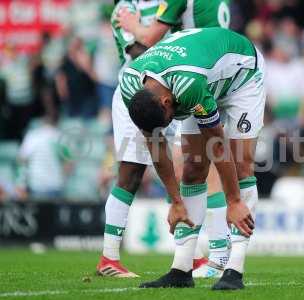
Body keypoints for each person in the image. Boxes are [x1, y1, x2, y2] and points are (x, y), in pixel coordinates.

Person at [121, 27, 266, 290]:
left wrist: (233, 201)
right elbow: (155, 143)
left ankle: (235, 268)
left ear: (167, 103)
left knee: (242, 165)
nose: (167, 127)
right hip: (202, 74)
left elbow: (217, 145)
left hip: (241, 76)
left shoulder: (187, 85)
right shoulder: (130, 84)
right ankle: (181, 269)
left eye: (168, 121)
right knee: (193, 169)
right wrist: (175, 201)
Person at [97, 0, 233, 279]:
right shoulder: (124, 8)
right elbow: (138, 51)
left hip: (172, 94)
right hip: (136, 95)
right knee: (131, 172)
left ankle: (195, 255)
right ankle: (109, 257)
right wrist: (171, 50)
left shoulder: (166, 5)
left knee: (192, 168)